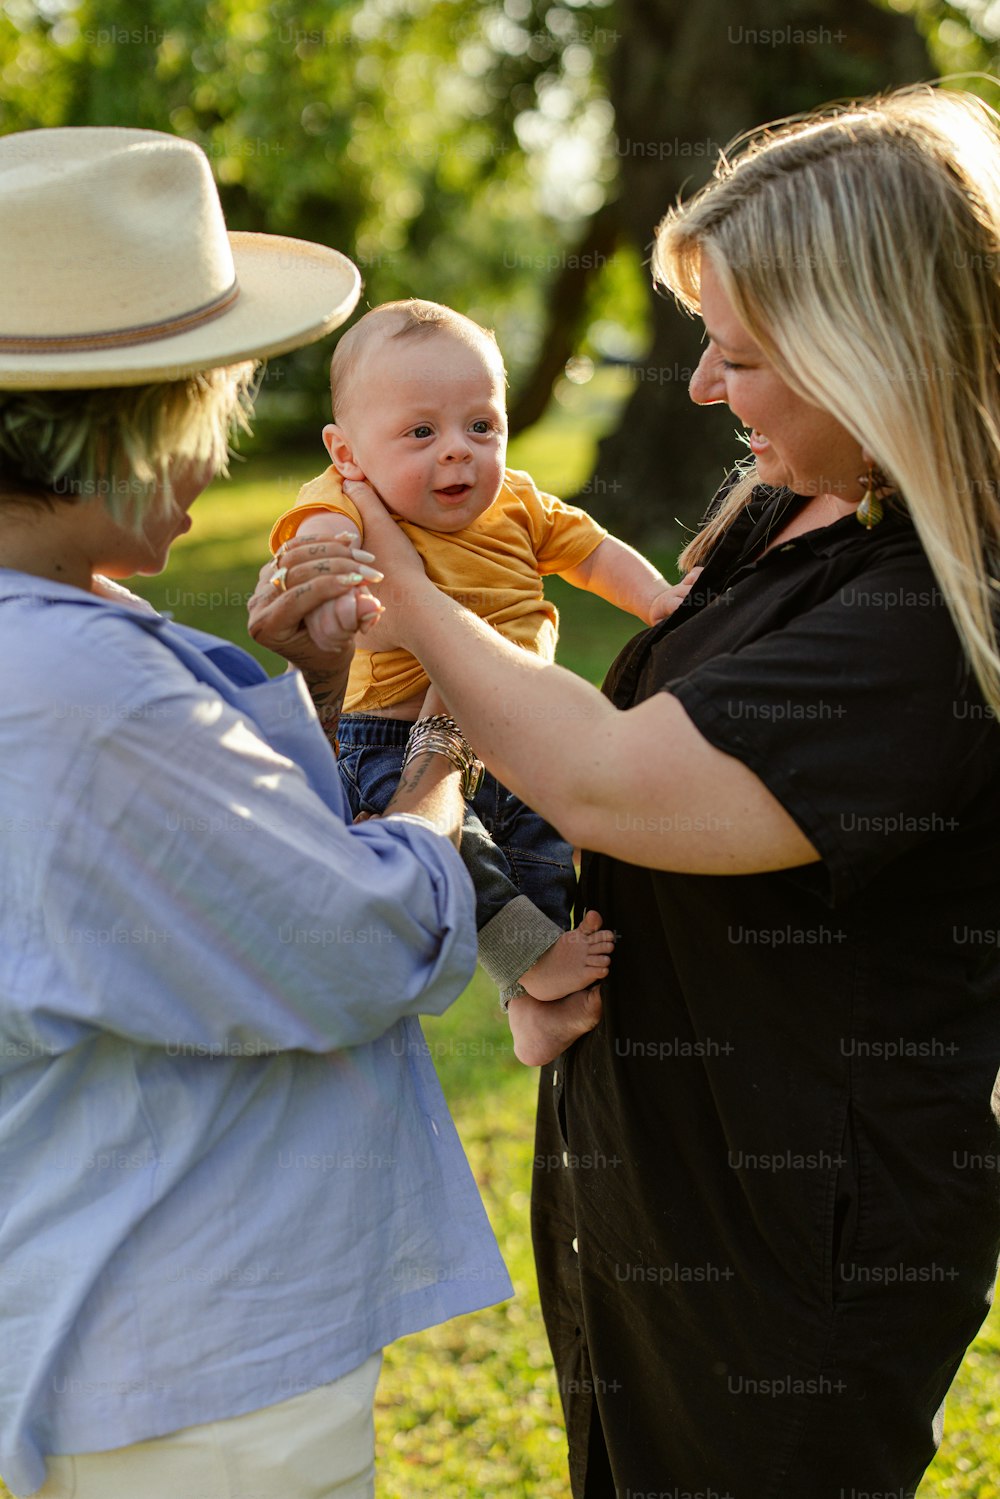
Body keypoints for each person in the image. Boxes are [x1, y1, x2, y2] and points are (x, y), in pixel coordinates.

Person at [256, 86, 1000, 1497]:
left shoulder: (930, 606)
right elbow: (568, 719)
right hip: (649, 1166)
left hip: (794, 1223)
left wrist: (399, 573)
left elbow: (603, 775)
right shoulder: (800, 500)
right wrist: (337, 675)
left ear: (874, 349)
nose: (708, 391)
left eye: (744, 354)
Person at [0, 126, 513, 1499]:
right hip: (187, 1361)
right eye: (198, 418)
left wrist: (316, 684)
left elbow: (148, 893)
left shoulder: (56, 637)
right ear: (113, 420)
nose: (216, 465)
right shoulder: (76, 681)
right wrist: (438, 757)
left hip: (88, 1312)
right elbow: (352, 942)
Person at [268, 298, 696, 1019]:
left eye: (481, 425)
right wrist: (331, 574)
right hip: (397, 734)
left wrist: (655, 598)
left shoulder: (521, 502)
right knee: (463, 852)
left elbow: (591, 552)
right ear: (347, 451)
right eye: (421, 431)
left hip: (516, 723)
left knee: (542, 842)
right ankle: (531, 965)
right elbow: (311, 543)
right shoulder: (345, 499)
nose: (457, 449)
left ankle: (529, 1001)